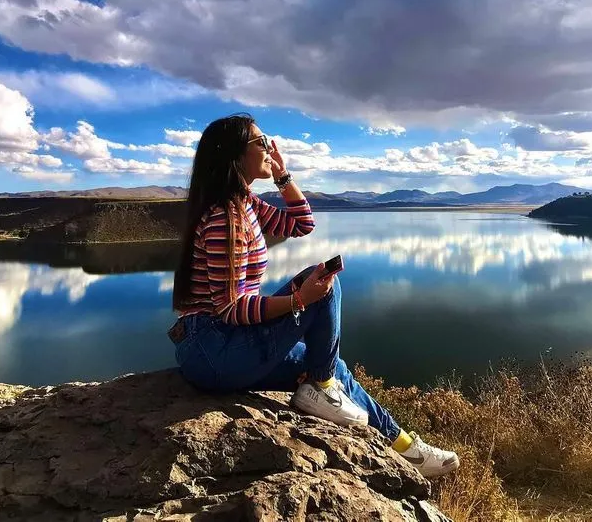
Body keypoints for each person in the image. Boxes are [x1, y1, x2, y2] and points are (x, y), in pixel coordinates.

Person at [169, 113, 460, 479]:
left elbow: (302, 223)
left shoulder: (246, 204)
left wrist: (283, 176)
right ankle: (322, 388)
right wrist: (299, 301)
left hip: (225, 342)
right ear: (234, 155)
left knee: (331, 364)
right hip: (213, 349)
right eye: (261, 142)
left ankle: (403, 445)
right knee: (323, 289)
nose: (269, 147)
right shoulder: (224, 219)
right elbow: (230, 309)